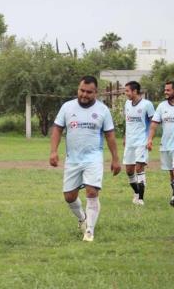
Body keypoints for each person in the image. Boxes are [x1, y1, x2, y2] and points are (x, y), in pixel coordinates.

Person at [49, 75, 121, 242]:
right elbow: (58, 130)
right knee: (69, 197)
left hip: (93, 157)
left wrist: (115, 159)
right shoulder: (67, 107)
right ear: (78, 89)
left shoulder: (103, 110)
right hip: (72, 159)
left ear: (96, 93)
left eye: (89, 92)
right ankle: (82, 219)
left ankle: (89, 231)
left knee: (91, 191)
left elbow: (110, 135)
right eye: (82, 90)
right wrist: (53, 151)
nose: (84, 94)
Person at [123, 81, 155, 205]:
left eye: (127, 91)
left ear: (135, 91)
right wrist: (125, 136)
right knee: (129, 171)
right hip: (130, 141)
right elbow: (128, 121)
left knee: (139, 168)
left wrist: (150, 139)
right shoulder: (127, 104)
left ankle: (141, 199)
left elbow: (153, 123)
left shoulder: (147, 104)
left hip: (142, 141)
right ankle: (136, 192)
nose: (125, 93)